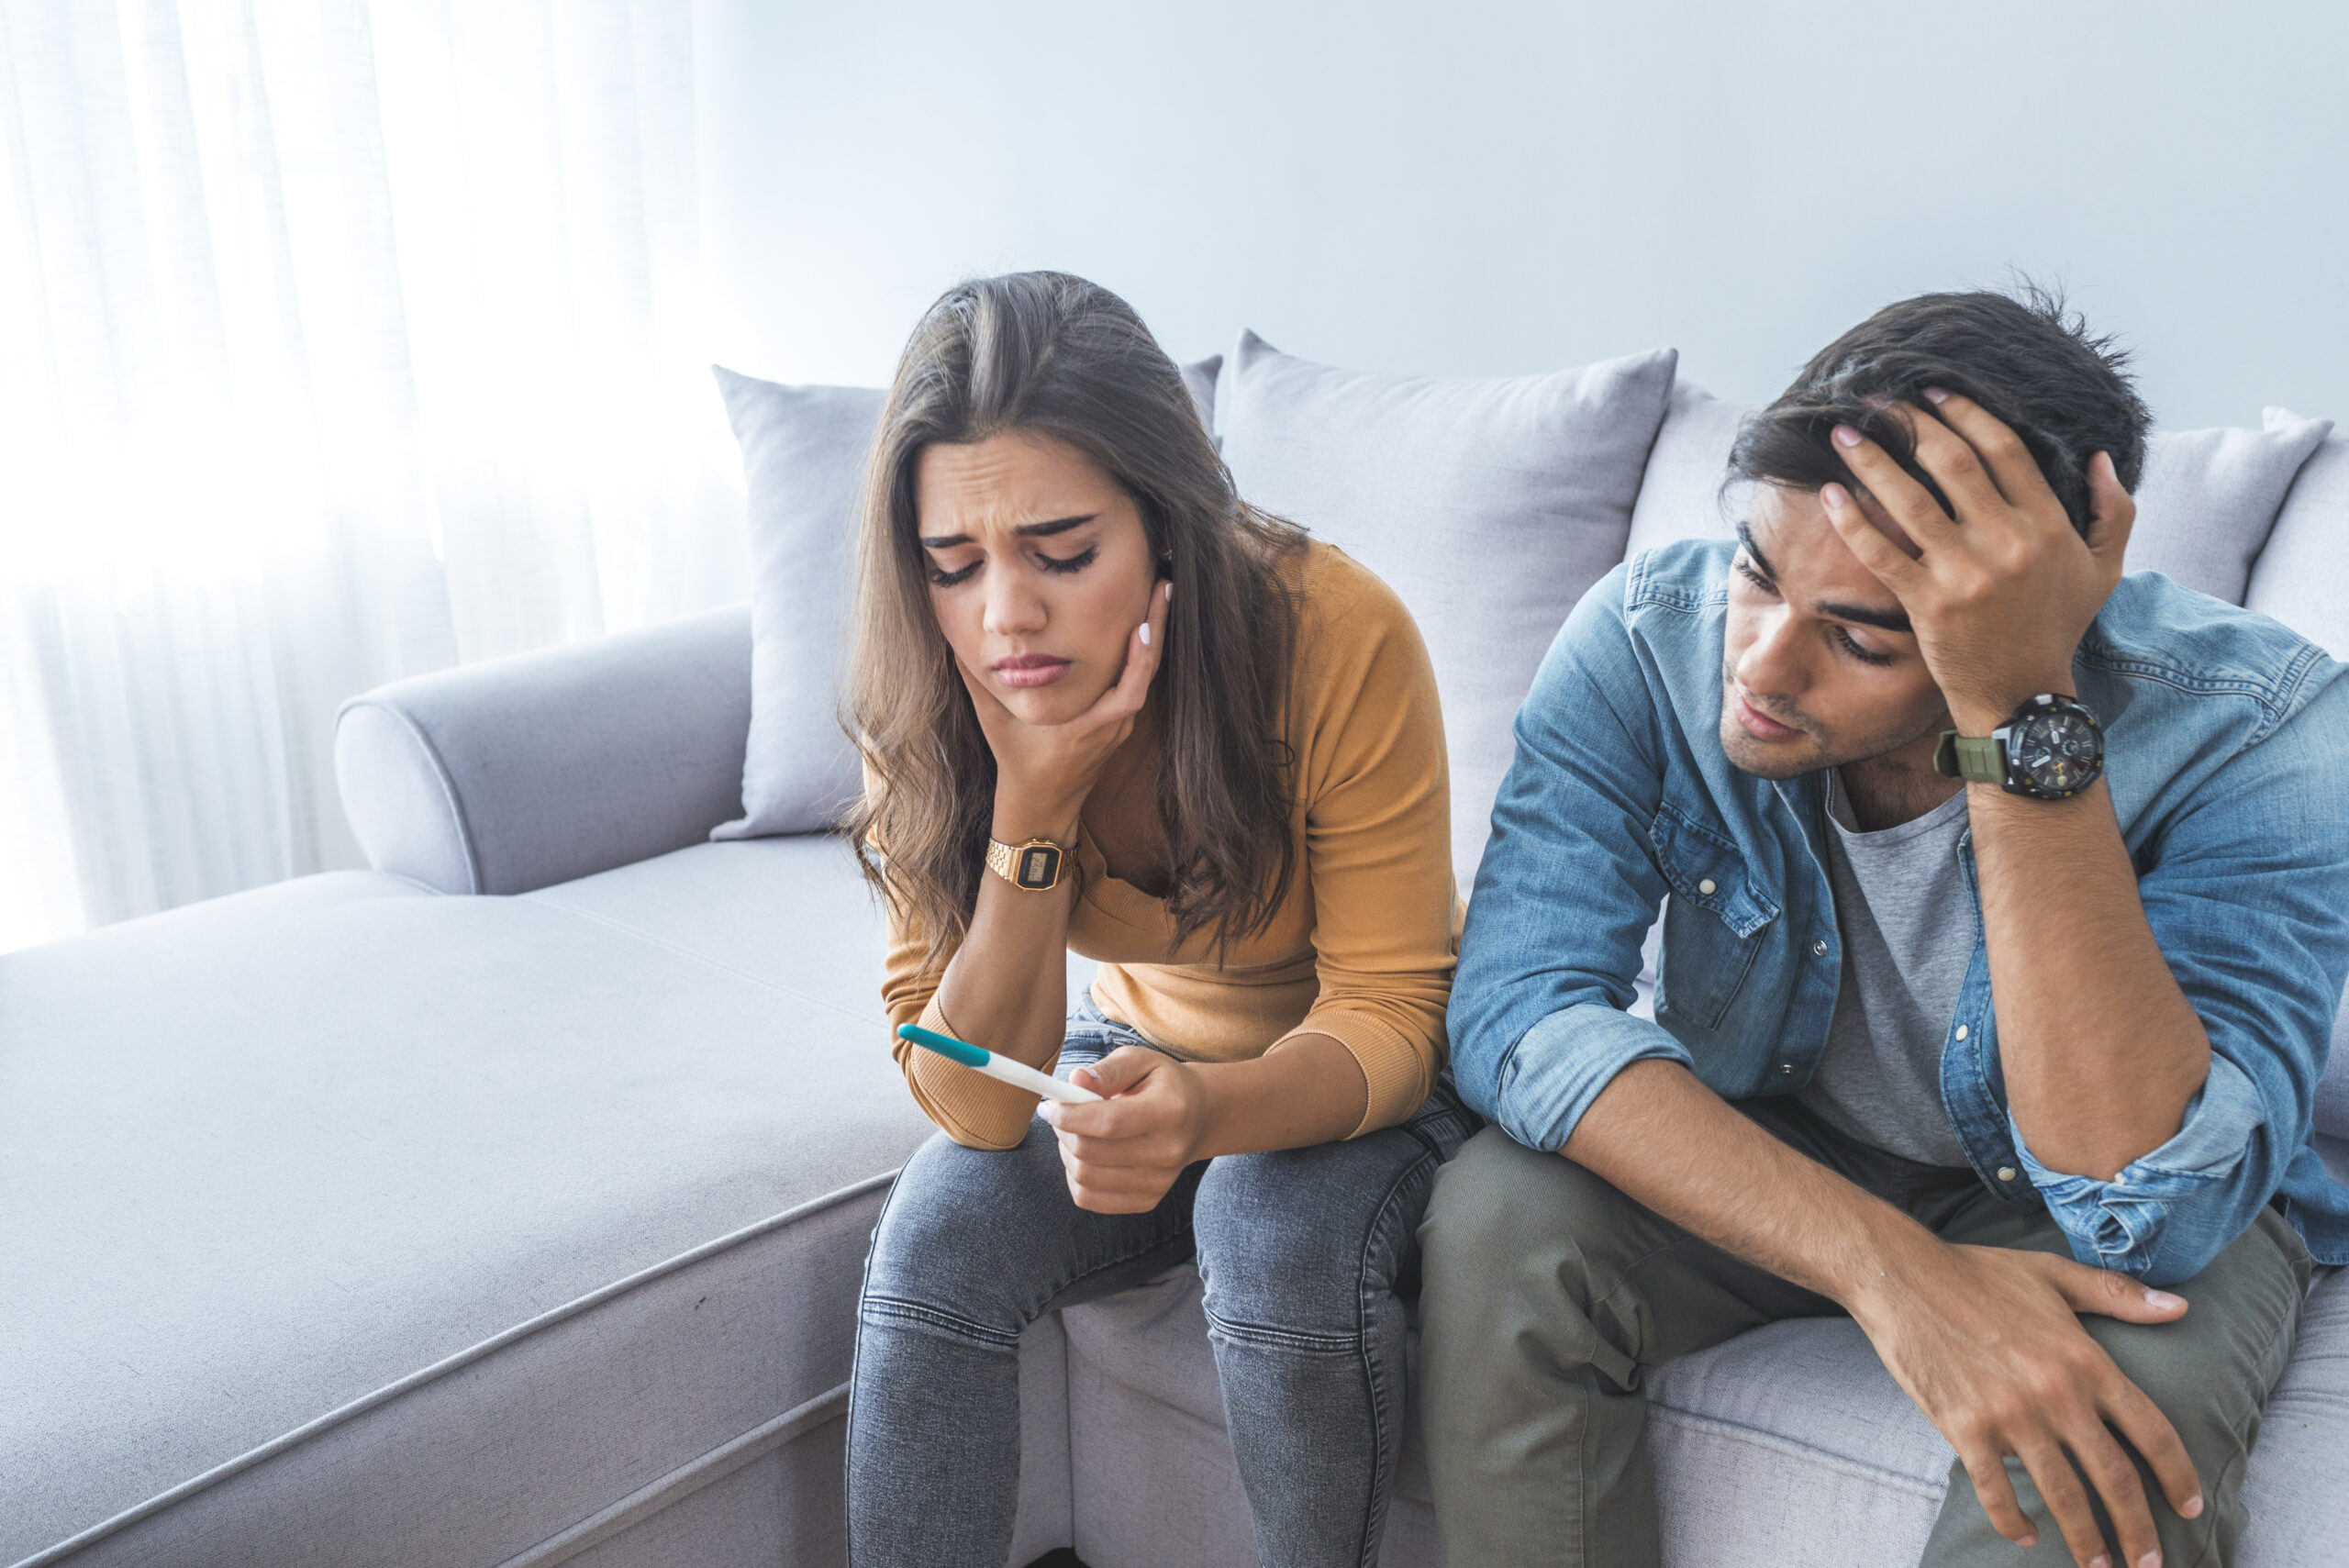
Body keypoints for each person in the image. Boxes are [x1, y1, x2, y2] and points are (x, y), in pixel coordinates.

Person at [1419, 287, 2349, 1568]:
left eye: (1858, 637)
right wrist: (1895, 1273)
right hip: (1797, 1133)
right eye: (1757, 575)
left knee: (2106, 1444)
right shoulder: (1649, 637)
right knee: (1502, 1214)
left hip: (2099, 1199)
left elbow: (2149, 1200)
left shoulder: (2264, 729)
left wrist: (2020, 714)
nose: (1760, 662)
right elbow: (1517, 1010)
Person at [841, 271, 1473, 1568]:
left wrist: (1205, 1112)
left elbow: (1397, 1011)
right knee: (937, 1229)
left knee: (1264, 1217)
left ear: (1170, 528)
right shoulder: (929, 682)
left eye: (1062, 552)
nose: (1006, 614)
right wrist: (1033, 810)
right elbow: (967, 1093)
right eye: (954, 564)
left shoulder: (1333, 634)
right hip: (1140, 1048)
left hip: (1371, 1077)